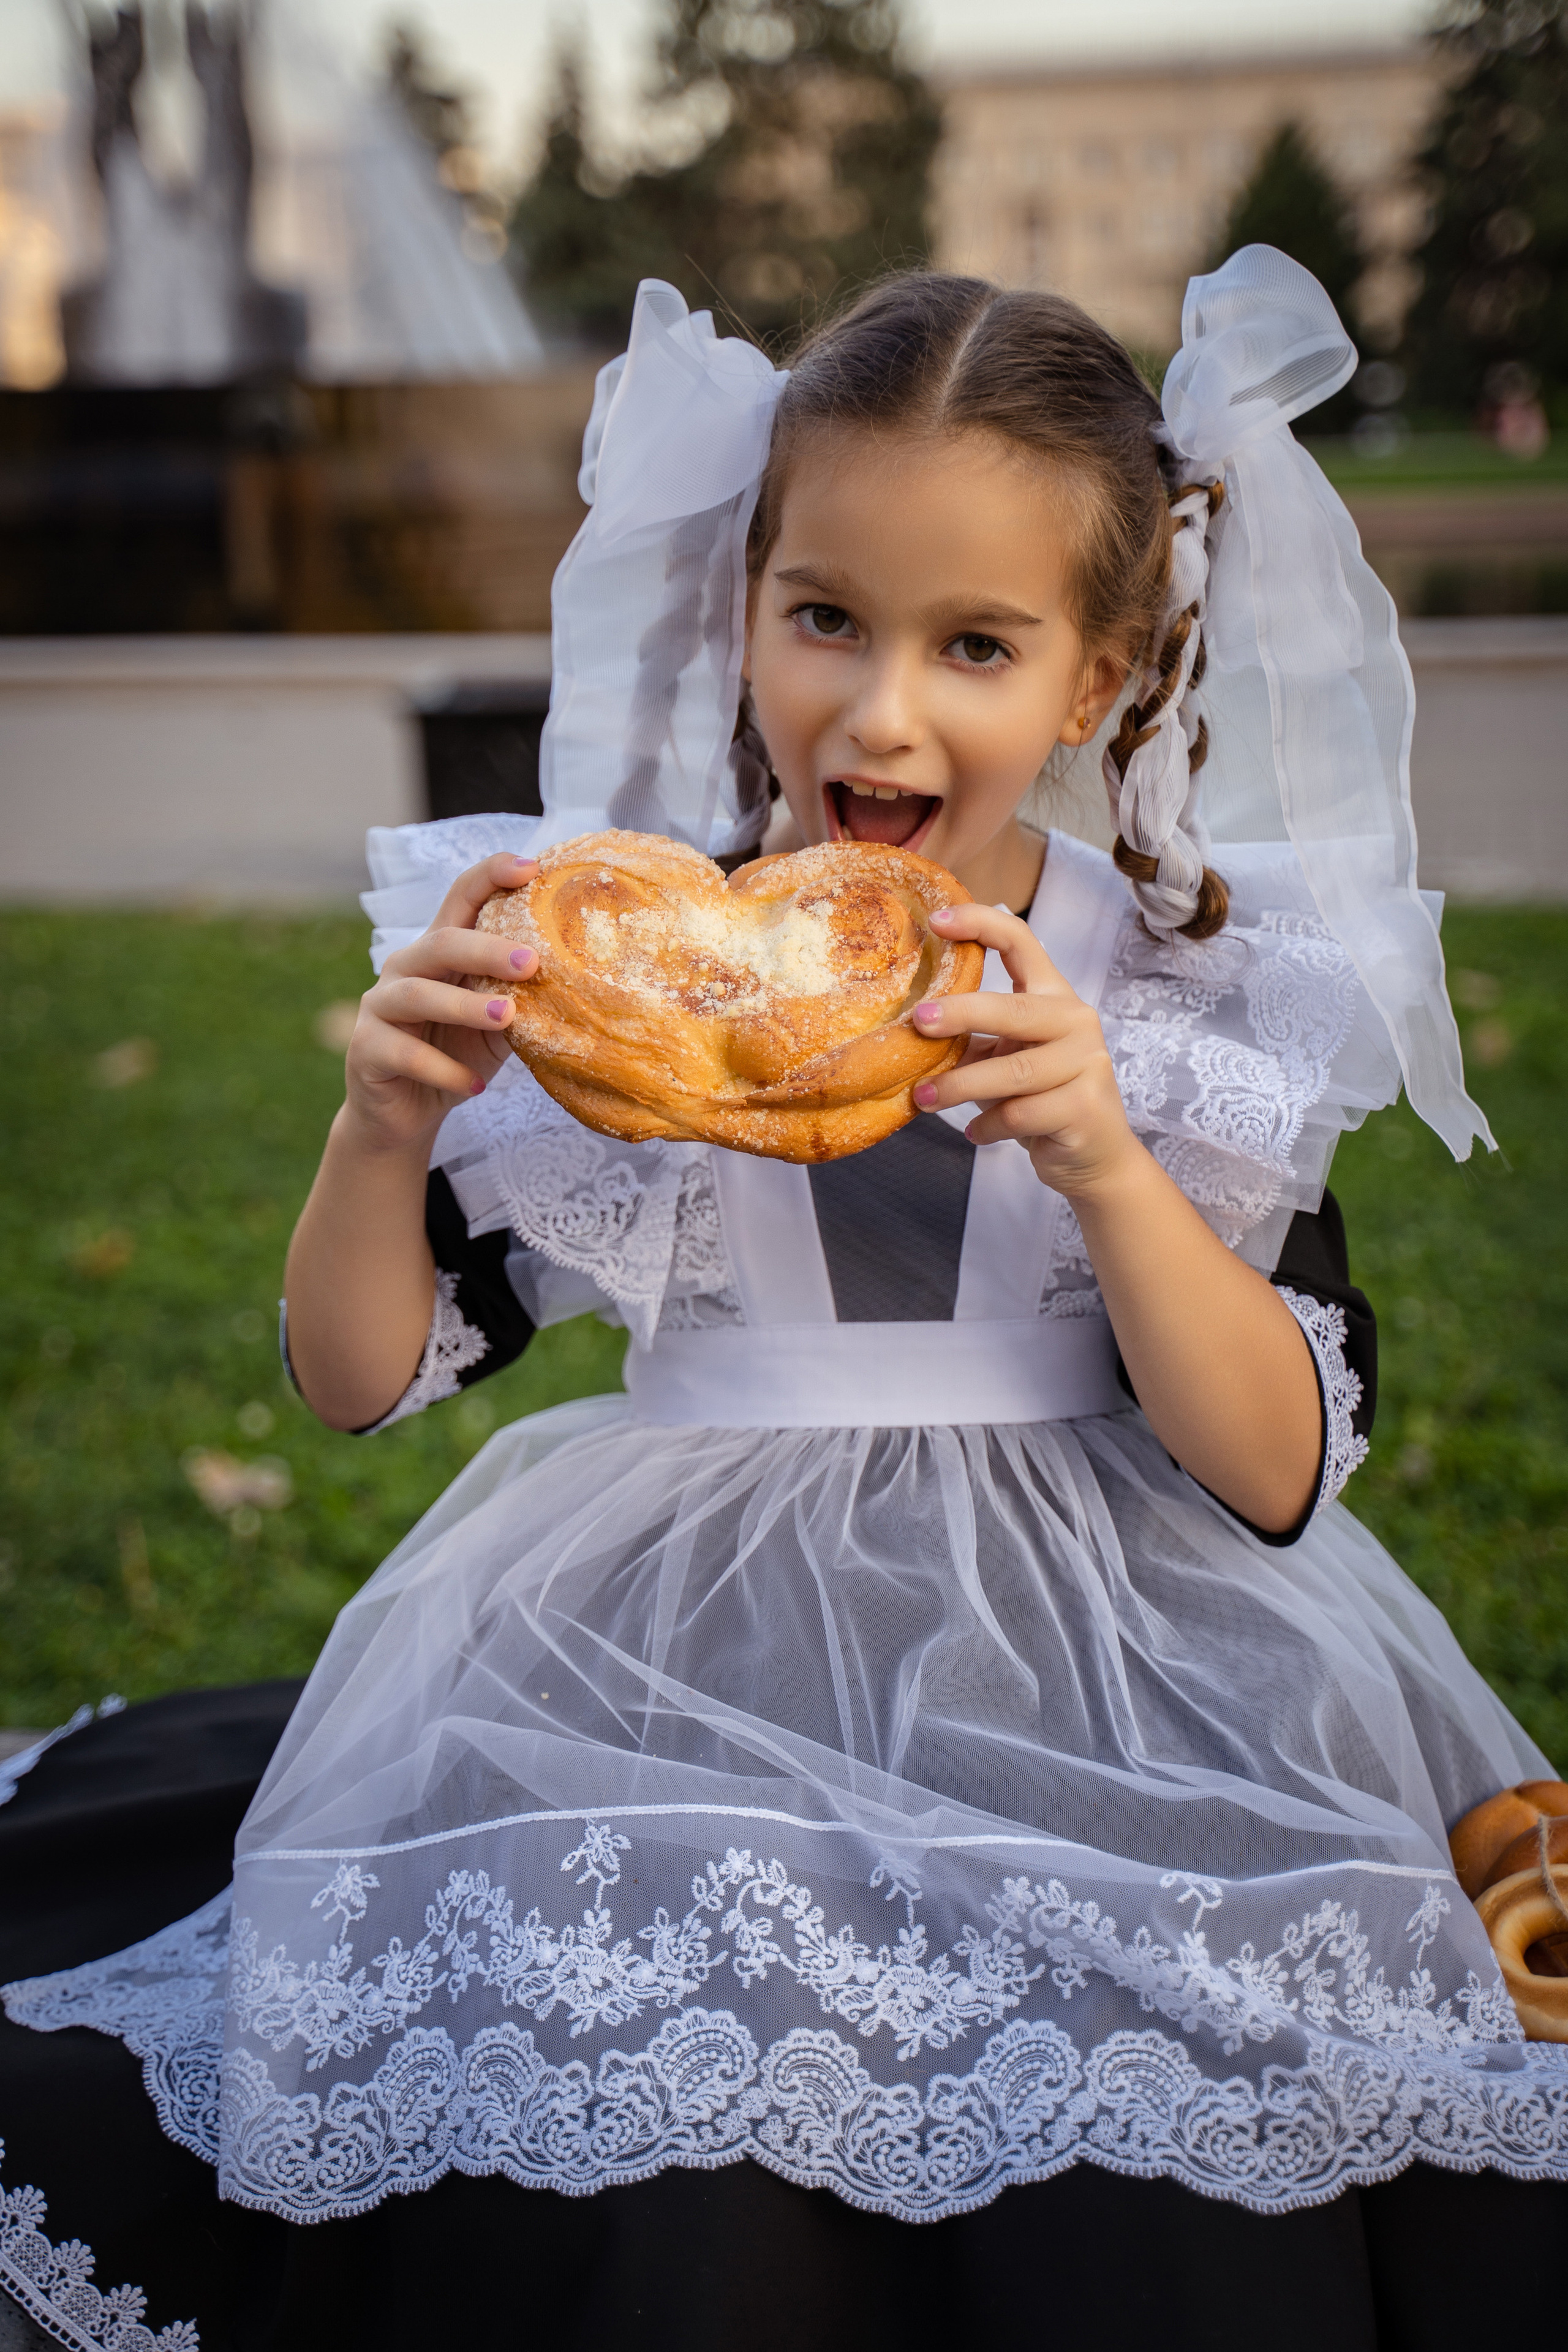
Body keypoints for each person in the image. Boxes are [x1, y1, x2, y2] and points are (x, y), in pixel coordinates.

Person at [4, 251, 1566, 2351]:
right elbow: (364, 1383)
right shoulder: (629, 966)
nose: (880, 706)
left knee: (1160, 2084)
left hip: (1095, 1646)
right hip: (672, 1640)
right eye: (822, 614)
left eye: (976, 645)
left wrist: (1107, 1160)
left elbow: (1277, 1473)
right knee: (641, 2093)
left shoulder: (1184, 991)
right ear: (743, 607)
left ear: (1095, 683)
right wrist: (382, 1126)